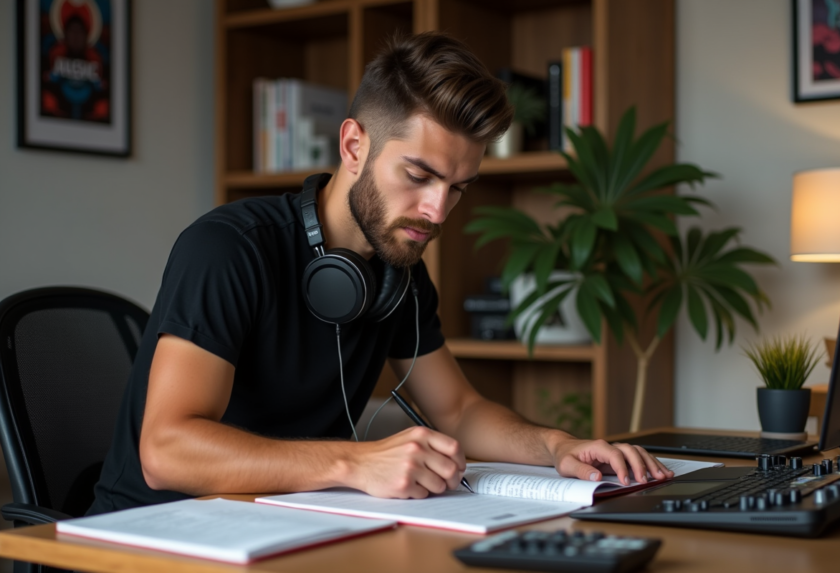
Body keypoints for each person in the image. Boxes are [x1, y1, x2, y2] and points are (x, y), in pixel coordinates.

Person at [88, 32, 672, 515]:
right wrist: (354, 461)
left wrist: (558, 445)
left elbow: (460, 411)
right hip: (158, 532)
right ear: (353, 146)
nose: (438, 211)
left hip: (286, 522)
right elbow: (166, 451)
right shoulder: (227, 249)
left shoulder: (398, 270)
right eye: (418, 176)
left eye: (457, 188)